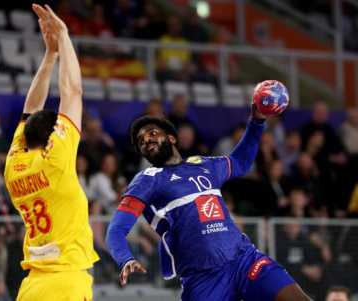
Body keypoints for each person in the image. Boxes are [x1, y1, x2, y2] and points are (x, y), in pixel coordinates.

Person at [106, 99, 310, 300]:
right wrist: (126, 259)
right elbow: (116, 230)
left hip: (244, 260)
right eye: (141, 143)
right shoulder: (146, 180)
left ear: (172, 138)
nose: (147, 141)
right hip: (203, 279)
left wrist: (256, 121)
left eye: (152, 134)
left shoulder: (202, 164)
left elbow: (239, 163)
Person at [3, 4, 98, 300]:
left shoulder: (14, 162)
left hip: (31, 286)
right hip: (67, 283)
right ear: (51, 138)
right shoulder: (55, 161)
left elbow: (29, 110)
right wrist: (65, 38)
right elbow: (73, 92)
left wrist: (50, 54)